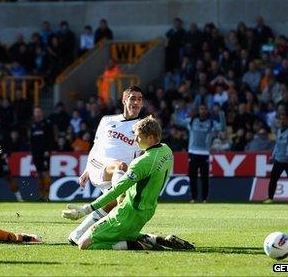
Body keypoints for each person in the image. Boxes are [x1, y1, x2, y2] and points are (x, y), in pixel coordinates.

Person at [62, 116, 194, 251]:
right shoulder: (166, 150)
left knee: (84, 244)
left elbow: (116, 190)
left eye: (138, 136)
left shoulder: (143, 162)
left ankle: (139, 245)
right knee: (123, 233)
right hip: (147, 211)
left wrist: (87, 209)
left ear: (150, 139)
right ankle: (157, 239)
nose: (135, 140)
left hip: (127, 213)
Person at [68, 85, 143, 245]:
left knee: (111, 204)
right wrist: (87, 169)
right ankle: (121, 195)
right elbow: (96, 146)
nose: (136, 102)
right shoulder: (107, 120)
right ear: (124, 100)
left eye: (139, 99)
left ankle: (77, 235)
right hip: (100, 167)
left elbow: (143, 155)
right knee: (120, 166)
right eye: (132, 98)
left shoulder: (142, 128)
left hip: (119, 177)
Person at [173, 103, 226, 203]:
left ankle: (205, 198)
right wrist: (176, 110)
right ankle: (193, 198)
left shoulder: (211, 123)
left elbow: (222, 127)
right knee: (192, 177)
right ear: (199, 110)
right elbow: (177, 121)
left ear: (207, 111)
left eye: (205, 109)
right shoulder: (192, 121)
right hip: (193, 152)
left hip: (204, 153)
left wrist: (221, 114)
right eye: (201, 109)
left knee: (204, 178)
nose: (203, 111)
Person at [29, 107, 55, 201]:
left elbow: (51, 138)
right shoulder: (33, 126)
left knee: (45, 173)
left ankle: (47, 196)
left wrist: (48, 150)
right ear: (34, 114)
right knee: (39, 174)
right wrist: (32, 152)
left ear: (42, 113)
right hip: (36, 154)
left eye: (39, 111)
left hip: (45, 153)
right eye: (36, 112)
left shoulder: (47, 124)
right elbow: (31, 141)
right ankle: (41, 195)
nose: (37, 113)